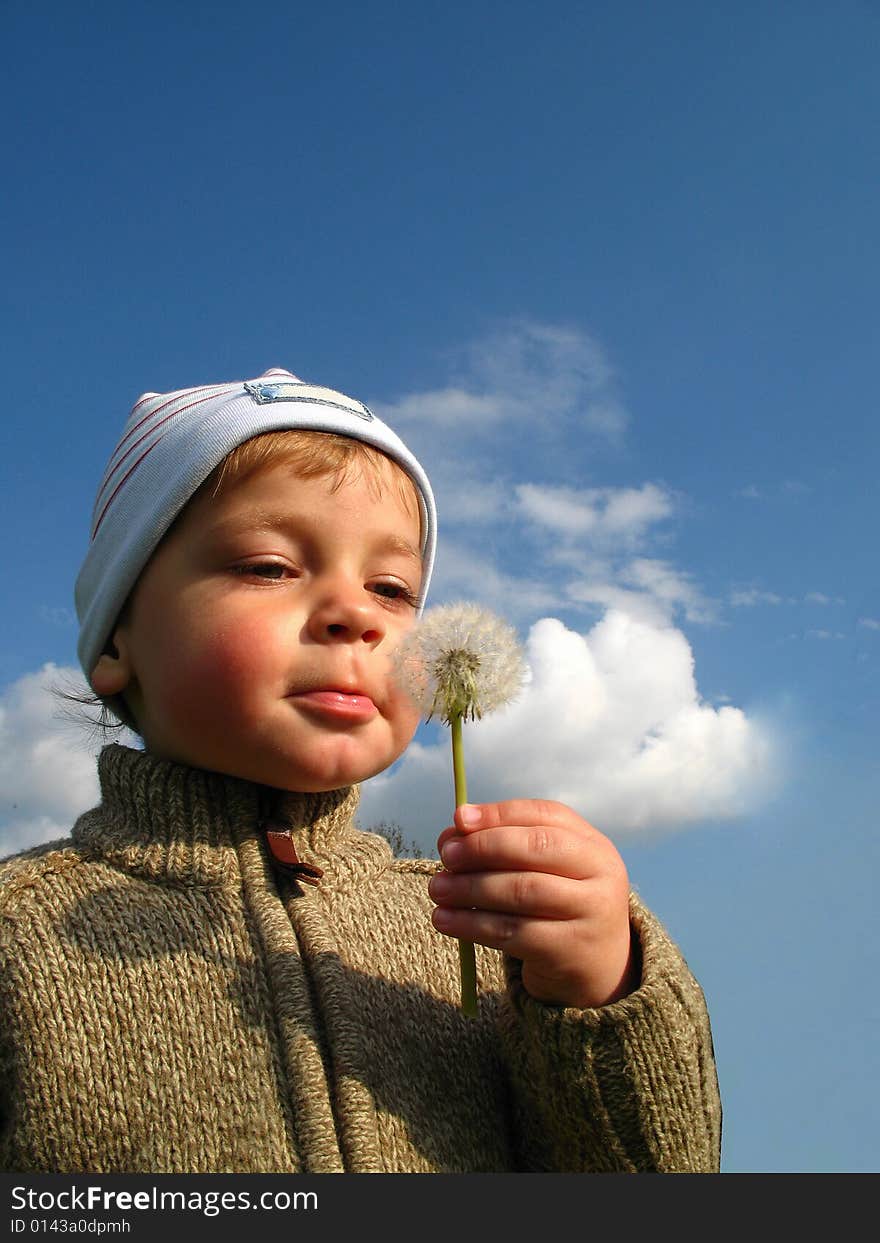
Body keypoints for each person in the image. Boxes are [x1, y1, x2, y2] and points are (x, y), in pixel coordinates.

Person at [0, 367, 722, 1173]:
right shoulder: (17, 932)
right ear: (113, 643)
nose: (357, 614)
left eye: (392, 587)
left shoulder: (486, 931)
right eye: (269, 566)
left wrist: (603, 991)